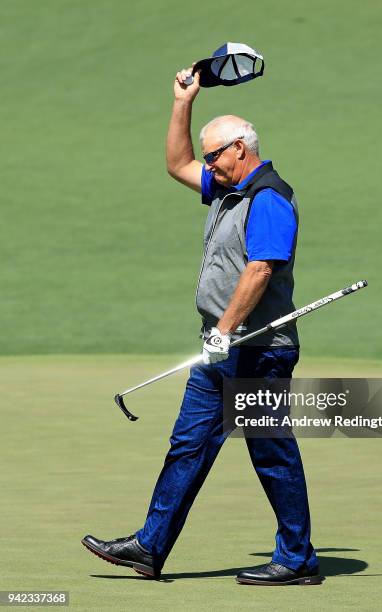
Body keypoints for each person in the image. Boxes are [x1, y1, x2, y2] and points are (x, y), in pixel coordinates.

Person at [82, 66, 320, 586]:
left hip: (259, 350)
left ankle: (298, 558)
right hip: (221, 347)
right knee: (188, 445)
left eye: (215, 155)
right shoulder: (229, 188)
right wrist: (182, 101)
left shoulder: (270, 197)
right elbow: (177, 163)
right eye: (209, 157)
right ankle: (150, 546)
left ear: (240, 148)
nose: (208, 165)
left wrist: (224, 331)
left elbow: (260, 269)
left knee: (270, 451)